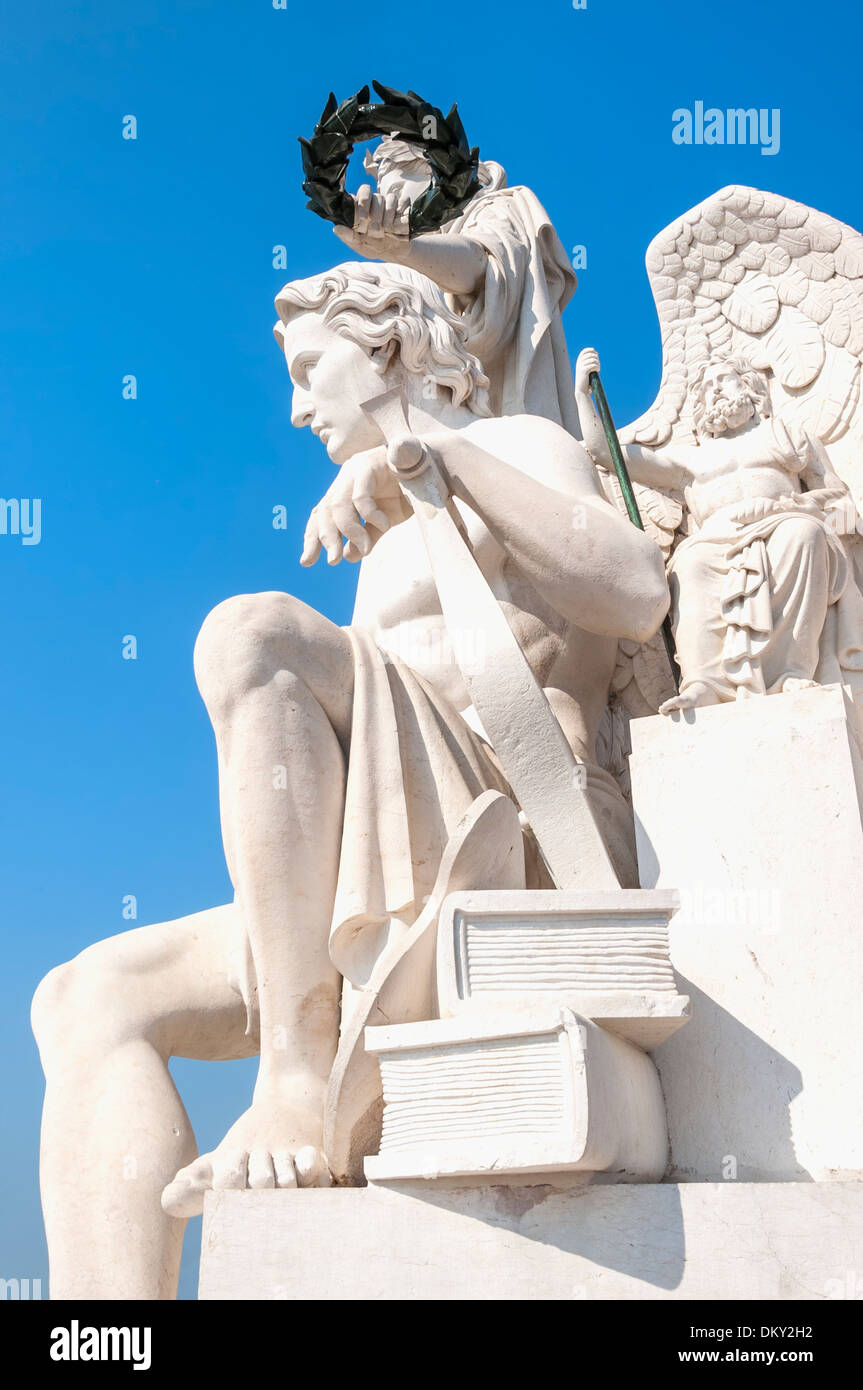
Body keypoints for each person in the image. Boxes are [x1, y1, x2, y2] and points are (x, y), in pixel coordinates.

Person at [32, 263, 668, 1299]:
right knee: (86, 996)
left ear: (383, 352)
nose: (293, 406)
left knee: (253, 634)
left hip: (503, 828)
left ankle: (292, 1076)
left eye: (306, 369)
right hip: (375, 864)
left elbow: (635, 594)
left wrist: (440, 454)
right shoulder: (379, 533)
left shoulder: (519, 445)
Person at [575, 348, 863, 711]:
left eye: (722, 380)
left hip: (783, 525)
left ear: (750, 388)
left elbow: (841, 504)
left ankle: (790, 671)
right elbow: (606, 454)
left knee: (804, 536)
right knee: (690, 564)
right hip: (715, 541)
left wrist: (793, 507)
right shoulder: (691, 458)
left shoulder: (787, 437)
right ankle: (703, 684)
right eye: (706, 387)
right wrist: (582, 396)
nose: (714, 390)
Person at [334, 136, 581, 435]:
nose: (393, 204)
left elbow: (484, 268)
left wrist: (402, 248)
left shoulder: (498, 207)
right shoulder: (415, 262)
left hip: (516, 425)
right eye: (385, 196)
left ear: (437, 176)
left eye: (397, 190)